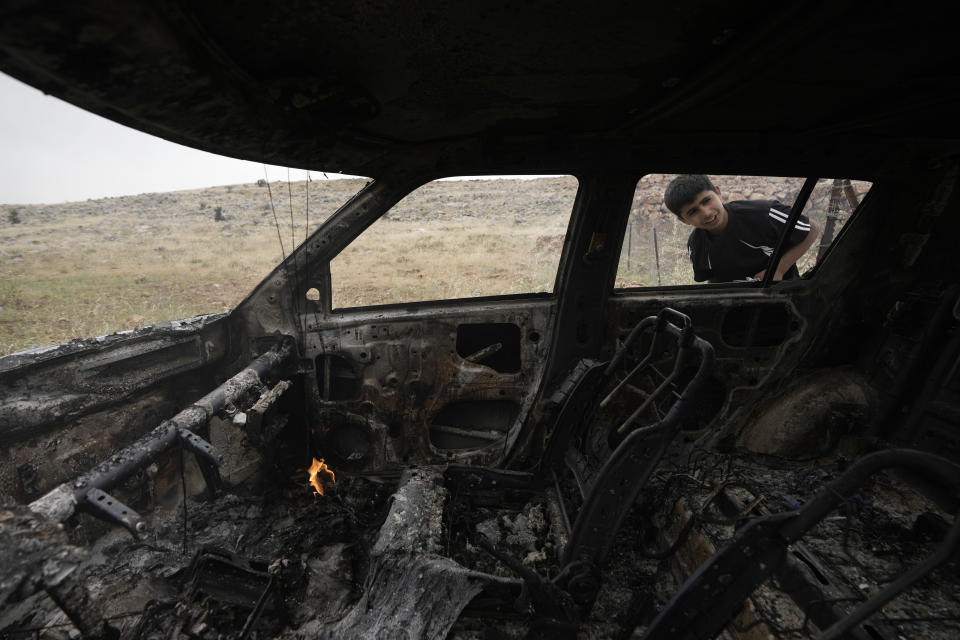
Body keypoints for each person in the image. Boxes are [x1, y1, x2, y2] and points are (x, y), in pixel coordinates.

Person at [663, 174, 821, 283]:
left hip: (781, 296)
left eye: (706, 201)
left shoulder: (763, 214)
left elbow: (812, 229)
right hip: (737, 307)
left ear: (718, 192)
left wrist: (778, 270)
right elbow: (712, 280)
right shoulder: (696, 245)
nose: (706, 213)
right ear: (683, 220)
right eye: (693, 211)